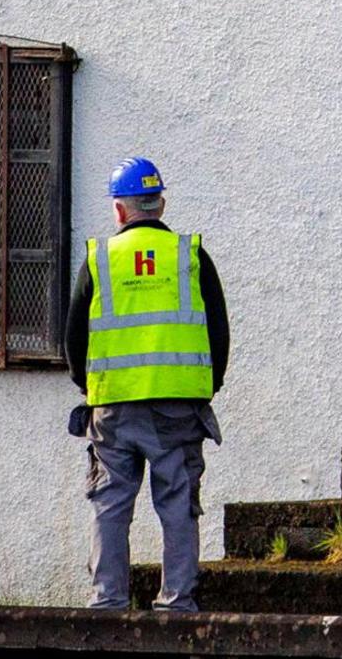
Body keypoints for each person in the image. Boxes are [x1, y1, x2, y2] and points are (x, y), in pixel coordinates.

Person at [65, 156, 228, 612]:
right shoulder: (190, 255)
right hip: (178, 406)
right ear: (159, 203)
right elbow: (218, 327)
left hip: (113, 406)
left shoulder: (100, 258)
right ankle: (177, 600)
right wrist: (206, 385)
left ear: (119, 210)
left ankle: (108, 601)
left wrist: (86, 386)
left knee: (110, 502)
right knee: (177, 500)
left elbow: (74, 335)